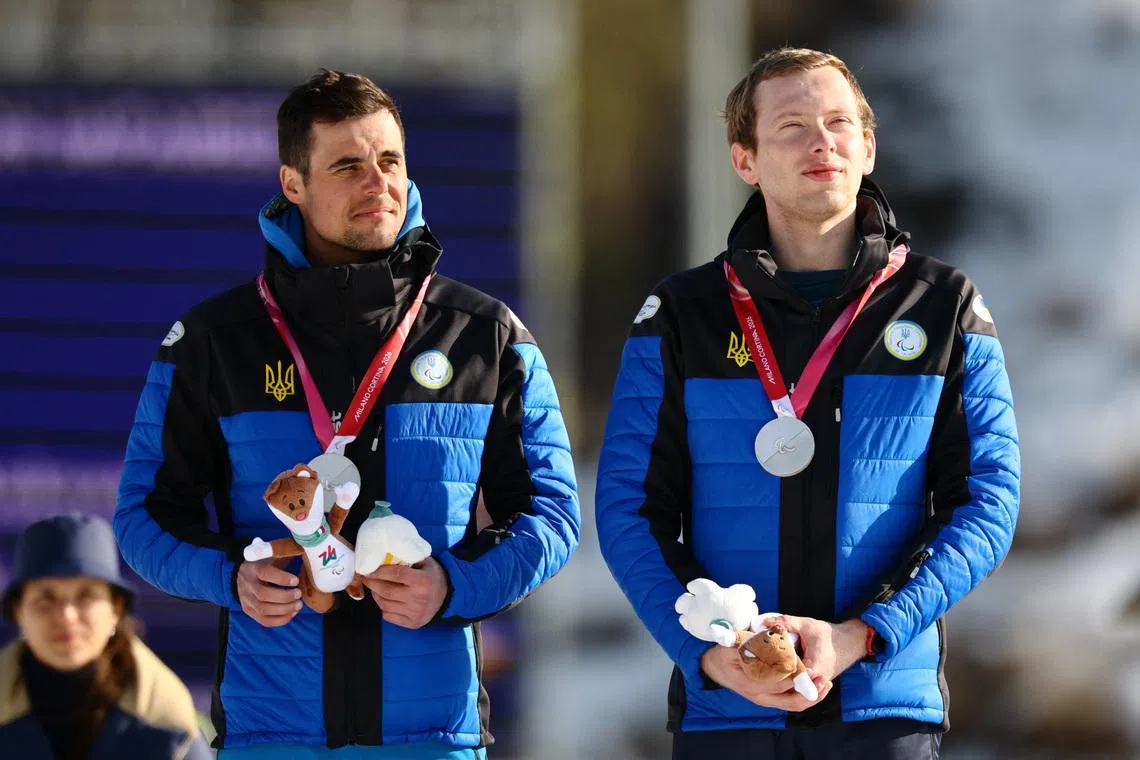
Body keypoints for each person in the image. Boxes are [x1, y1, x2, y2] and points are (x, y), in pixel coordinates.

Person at [113, 69, 580, 758]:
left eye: (390, 160)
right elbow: (143, 518)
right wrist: (231, 576)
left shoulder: (485, 335)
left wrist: (454, 584)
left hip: (435, 741)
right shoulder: (213, 343)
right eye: (348, 166)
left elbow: (552, 513)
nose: (377, 183)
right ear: (293, 184)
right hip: (270, 739)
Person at [595, 47, 1019, 760]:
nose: (822, 142)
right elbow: (628, 509)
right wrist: (709, 651)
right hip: (728, 706)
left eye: (839, 123)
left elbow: (987, 502)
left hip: (883, 706)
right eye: (792, 127)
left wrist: (862, 635)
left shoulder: (945, 306)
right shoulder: (681, 315)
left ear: (868, 147)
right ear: (746, 160)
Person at [0, 514, 211, 759]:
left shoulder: (171, 729)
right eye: (46, 600)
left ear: (116, 610)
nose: (67, 616)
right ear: (18, 612)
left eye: (86, 596)